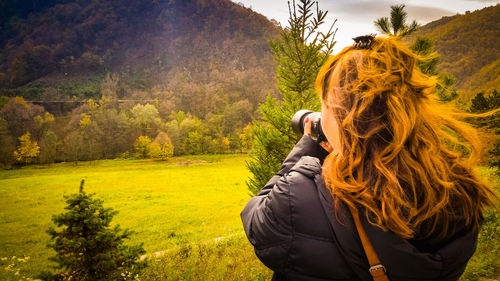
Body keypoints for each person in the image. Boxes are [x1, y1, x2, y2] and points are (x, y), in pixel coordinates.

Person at [240, 35, 497, 281]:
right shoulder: (456, 188)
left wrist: (307, 146)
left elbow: (256, 221)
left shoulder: (296, 196)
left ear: (342, 118)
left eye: (325, 106)